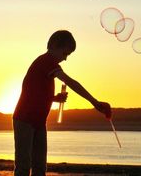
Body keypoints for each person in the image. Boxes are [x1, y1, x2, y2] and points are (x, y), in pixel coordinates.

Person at [13, 30, 111, 176]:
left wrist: (54, 98)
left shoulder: (46, 65)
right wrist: (94, 102)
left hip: (38, 122)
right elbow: (70, 82)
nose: (65, 59)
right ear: (54, 46)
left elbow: (34, 92)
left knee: (40, 167)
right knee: (23, 166)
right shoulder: (46, 61)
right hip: (24, 119)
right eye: (65, 53)